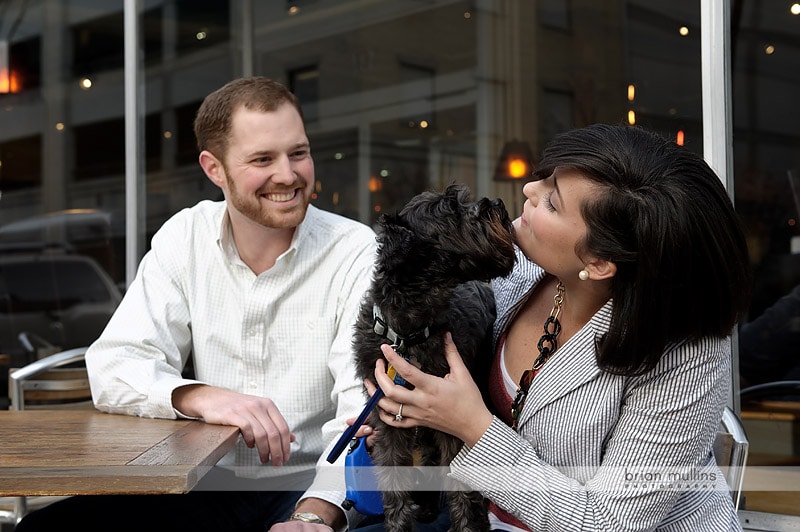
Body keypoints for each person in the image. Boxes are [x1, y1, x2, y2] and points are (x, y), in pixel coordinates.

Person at [16, 77, 377, 532]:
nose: (288, 174)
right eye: (263, 159)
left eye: (298, 153)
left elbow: (360, 414)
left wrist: (315, 515)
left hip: (309, 483)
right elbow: (113, 365)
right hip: (202, 479)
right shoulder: (184, 237)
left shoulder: (355, 251)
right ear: (215, 169)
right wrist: (199, 395)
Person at [359, 124, 752, 531]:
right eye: (545, 177)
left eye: (552, 201)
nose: (529, 190)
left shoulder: (687, 356)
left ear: (599, 262)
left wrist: (473, 425)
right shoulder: (525, 260)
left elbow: (605, 523)